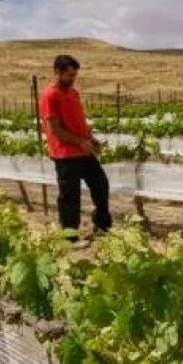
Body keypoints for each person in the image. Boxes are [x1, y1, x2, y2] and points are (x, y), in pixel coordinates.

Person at [39, 54, 113, 237]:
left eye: (74, 75)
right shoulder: (50, 95)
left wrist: (90, 138)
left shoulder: (73, 92)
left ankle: (102, 226)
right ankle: (70, 237)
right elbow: (55, 129)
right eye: (69, 75)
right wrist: (81, 141)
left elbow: (78, 121)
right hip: (65, 155)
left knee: (101, 185)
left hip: (83, 151)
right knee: (70, 197)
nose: (73, 79)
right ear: (58, 72)